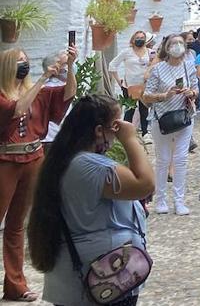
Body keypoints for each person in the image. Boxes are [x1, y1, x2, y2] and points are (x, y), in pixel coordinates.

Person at [28, 95, 155, 306]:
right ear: (99, 131)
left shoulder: (65, 159)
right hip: (103, 278)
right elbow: (145, 184)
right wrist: (130, 138)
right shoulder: (89, 166)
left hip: (84, 277)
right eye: (115, 126)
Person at [0, 45, 77, 301]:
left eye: (25, 61)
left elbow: (68, 94)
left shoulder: (39, 93)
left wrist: (71, 67)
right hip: (6, 160)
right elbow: (17, 108)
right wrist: (45, 77)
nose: (23, 65)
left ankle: (15, 283)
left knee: (17, 225)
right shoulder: (2, 94)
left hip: (33, 157)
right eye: (18, 61)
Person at [142, 34, 199, 215]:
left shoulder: (189, 66)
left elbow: (196, 89)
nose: (177, 46)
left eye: (180, 43)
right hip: (162, 119)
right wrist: (164, 96)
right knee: (163, 160)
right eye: (174, 43)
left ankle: (179, 200)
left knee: (181, 159)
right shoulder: (158, 69)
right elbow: (146, 96)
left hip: (183, 117)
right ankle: (160, 200)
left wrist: (191, 93)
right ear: (166, 48)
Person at [108, 30, 152, 136]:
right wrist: (118, 81)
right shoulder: (127, 52)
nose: (140, 40)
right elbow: (112, 65)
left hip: (144, 85)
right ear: (133, 39)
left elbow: (154, 66)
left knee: (144, 109)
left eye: (142, 38)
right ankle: (124, 132)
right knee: (129, 110)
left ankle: (145, 133)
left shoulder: (150, 52)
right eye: (137, 38)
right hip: (129, 86)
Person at [42, 53, 68, 144]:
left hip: (59, 138)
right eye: (66, 64)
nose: (70, 66)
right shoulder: (50, 88)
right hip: (51, 140)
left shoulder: (63, 85)